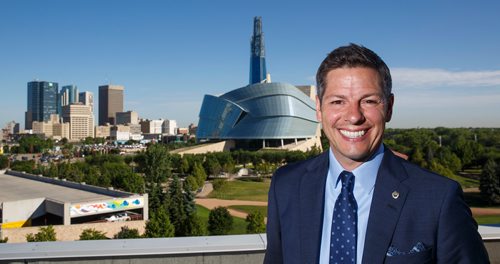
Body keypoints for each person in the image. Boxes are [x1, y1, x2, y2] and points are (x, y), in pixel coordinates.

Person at [264, 44, 489, 264]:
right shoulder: (286, 185)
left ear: (389, 107)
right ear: (319, 110)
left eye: (369, 101)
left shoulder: (439, 199)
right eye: (338, 101)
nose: (354, 116)